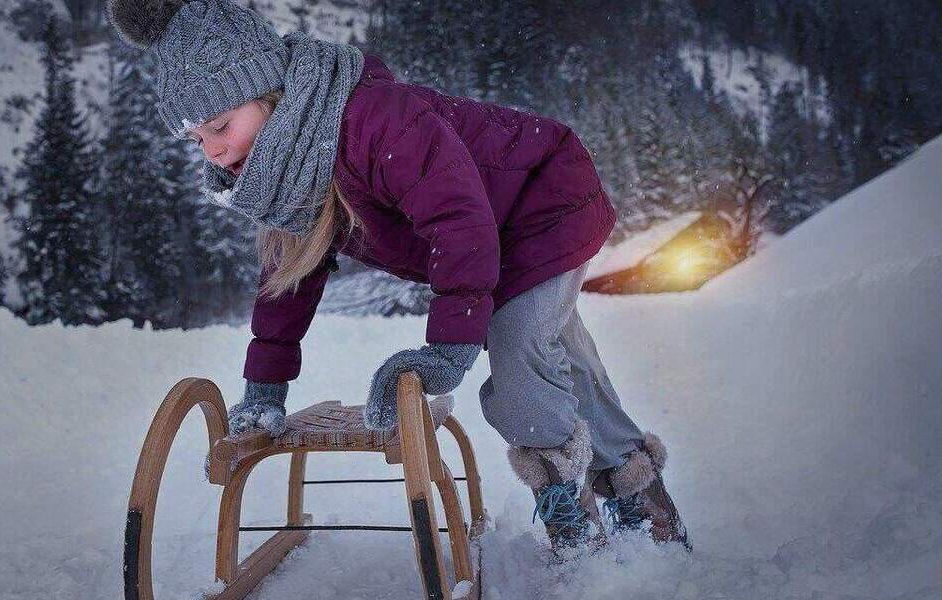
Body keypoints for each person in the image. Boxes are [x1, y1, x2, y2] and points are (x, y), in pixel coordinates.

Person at [107, 0, 689, 556]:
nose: (211, 151)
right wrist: (265, 388)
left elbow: (458, 223)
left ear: (268, 95)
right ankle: (645, 499)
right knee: (552, 351)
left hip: (545, 201)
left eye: (219, 126)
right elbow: (289, 278)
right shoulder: (291, 174)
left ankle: (576, 534)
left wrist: (447, 350)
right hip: (494, 230)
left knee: (518, 344)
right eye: (197, 139)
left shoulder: (376, 121)